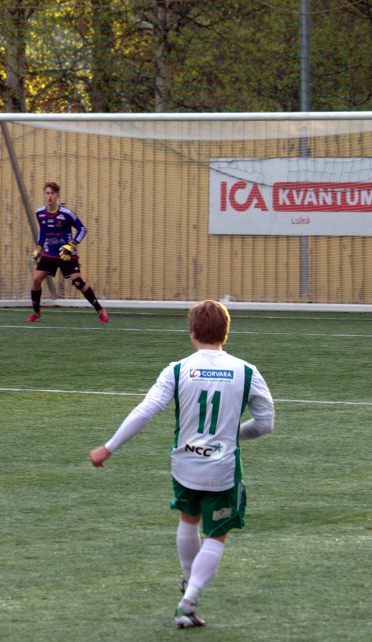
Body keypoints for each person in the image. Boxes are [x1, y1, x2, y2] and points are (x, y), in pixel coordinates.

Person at [89, 300, 275, 628]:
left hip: (185, 464)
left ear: (192, 333)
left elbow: (145, 411)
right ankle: (188, 601)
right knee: (216, 535)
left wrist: (109, 447)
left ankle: (188, 579)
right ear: (226, 332)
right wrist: (233, 435)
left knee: (188, 520)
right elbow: (265, 423)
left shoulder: (177, 370)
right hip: (222, 470)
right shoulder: (247, 371)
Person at [27, 181, 108, 324]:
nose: (49, 196)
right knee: (36, 279)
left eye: (52, 193)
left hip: (66, 253)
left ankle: (100, 310)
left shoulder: (67, 214)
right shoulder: (39, 213)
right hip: (49, 253)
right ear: (44, 195)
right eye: (47, 193)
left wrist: (72, 245)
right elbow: (43, 232)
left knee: (77, 282)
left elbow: (82, 229)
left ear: (57, 195)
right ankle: (36, 311)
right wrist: (38, 249)